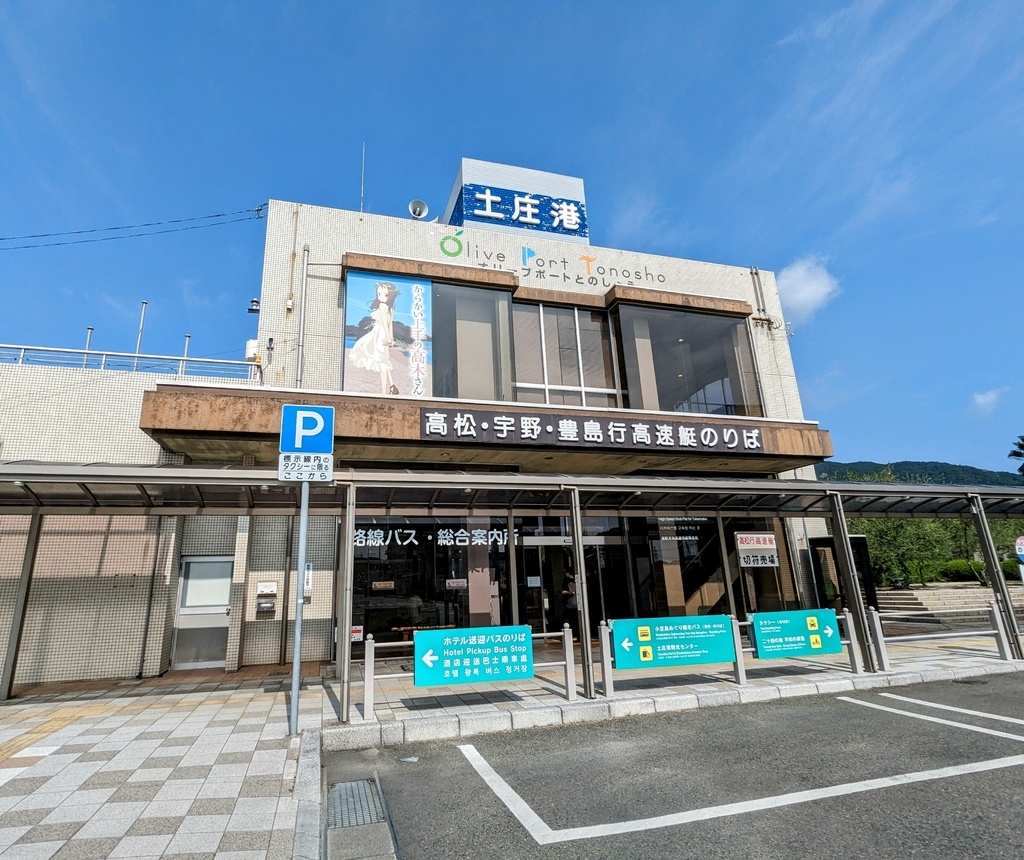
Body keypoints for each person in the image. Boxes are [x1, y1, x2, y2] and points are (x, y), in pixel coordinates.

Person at [348, 281, 400, 394]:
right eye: (379, 294)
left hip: (382, 335)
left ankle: (389, 389)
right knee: (383, 361)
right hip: (379, 335)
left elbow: (390, 325)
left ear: (390, 295)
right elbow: (387, 326)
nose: (381, 297)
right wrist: (388, 338)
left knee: (383, 361)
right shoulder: (382, 306)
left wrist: (390, 338)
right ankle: (387, 390)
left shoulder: (389, 309)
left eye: (385, 294)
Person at [561, 570, 579, 640]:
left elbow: (566, 592)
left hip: (570, 603)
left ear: (568, 573)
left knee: (566, 619)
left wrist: (567, 592)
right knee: (576, 620)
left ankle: (567, 636)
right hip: (577, 603)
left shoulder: (567, 581)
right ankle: (578, 636)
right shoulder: (577, 580)